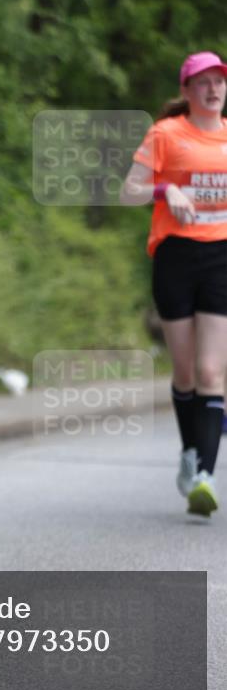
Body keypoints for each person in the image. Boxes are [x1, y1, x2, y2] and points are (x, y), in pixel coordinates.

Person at [121, 51, 227, 516]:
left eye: (219, 81)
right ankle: (189, 454)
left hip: (221, 257)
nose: (212, 89)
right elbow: (129, 191)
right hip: (175, 257)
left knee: (209, 372)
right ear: (186, 91)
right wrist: (167, 189)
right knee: (184, 373)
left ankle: (205, 474)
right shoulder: (166, 134)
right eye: (202, 83)